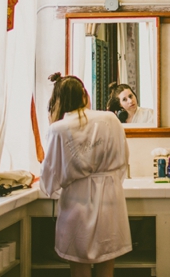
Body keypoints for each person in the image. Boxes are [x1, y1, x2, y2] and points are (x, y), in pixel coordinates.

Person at [40, 72, 132, 277]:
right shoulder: (110, 119)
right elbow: (123, 159)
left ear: (58, 100)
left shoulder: (58, 129)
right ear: (84, 95)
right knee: (107, 261)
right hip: (110, 197)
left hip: (76, 201)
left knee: (79, 264)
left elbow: (49, 180)